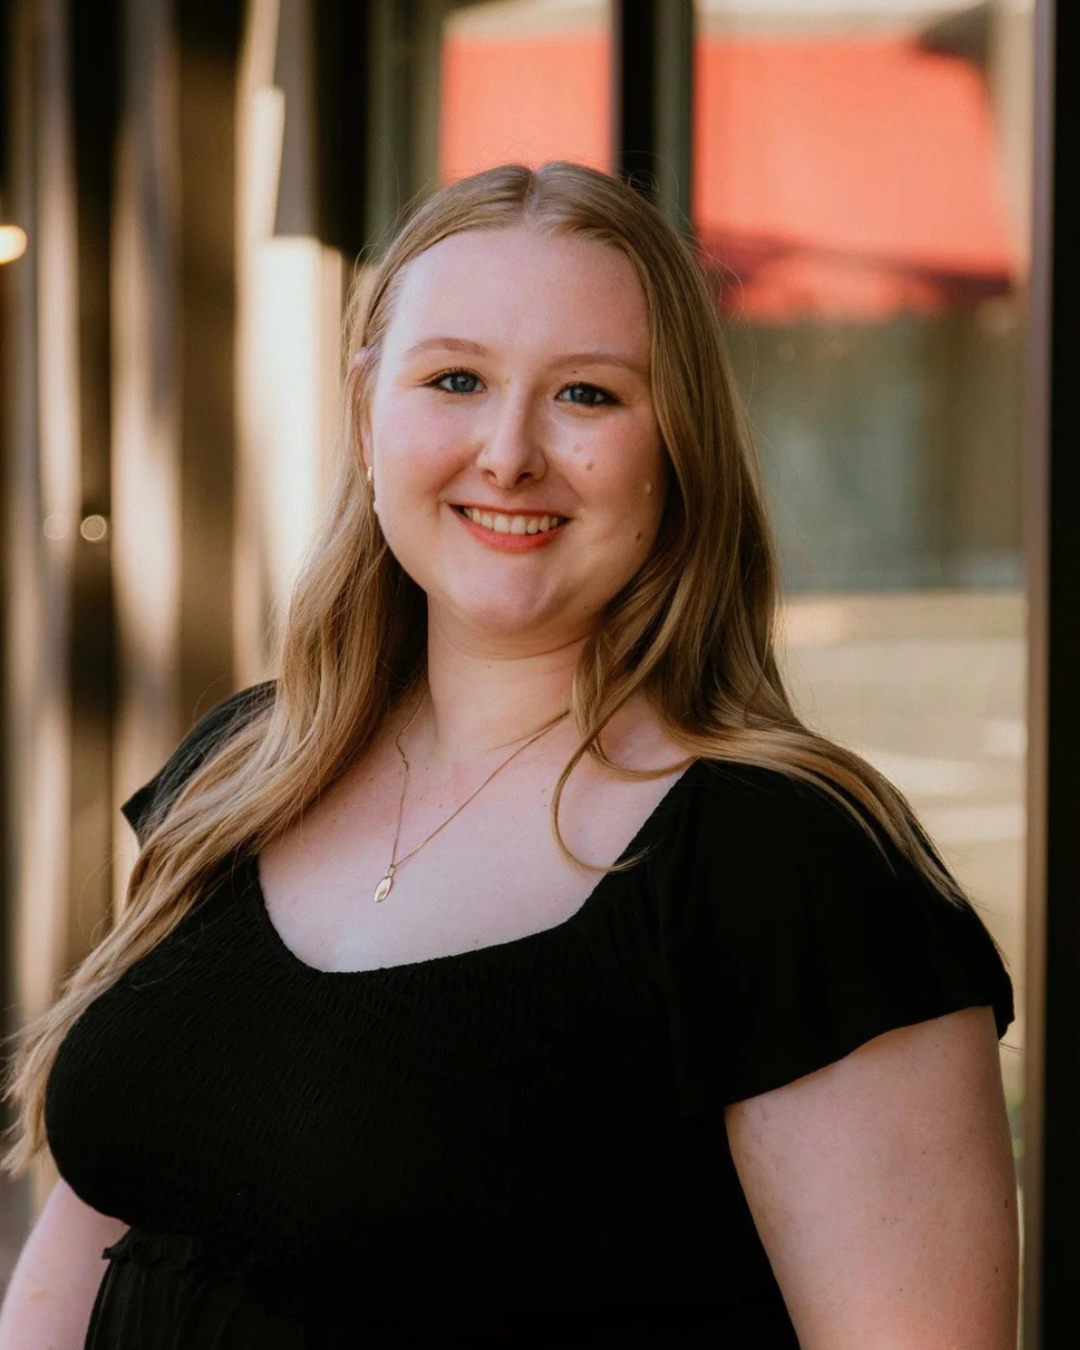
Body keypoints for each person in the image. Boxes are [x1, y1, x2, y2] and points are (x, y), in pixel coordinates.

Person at [0, 162, 1016, 1350]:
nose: (509, 453)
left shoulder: (788, 872)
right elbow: (102, 1225)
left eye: (587, 395)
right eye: (457, 380)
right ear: (368, 408)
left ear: (677, 447)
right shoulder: (245, 768)